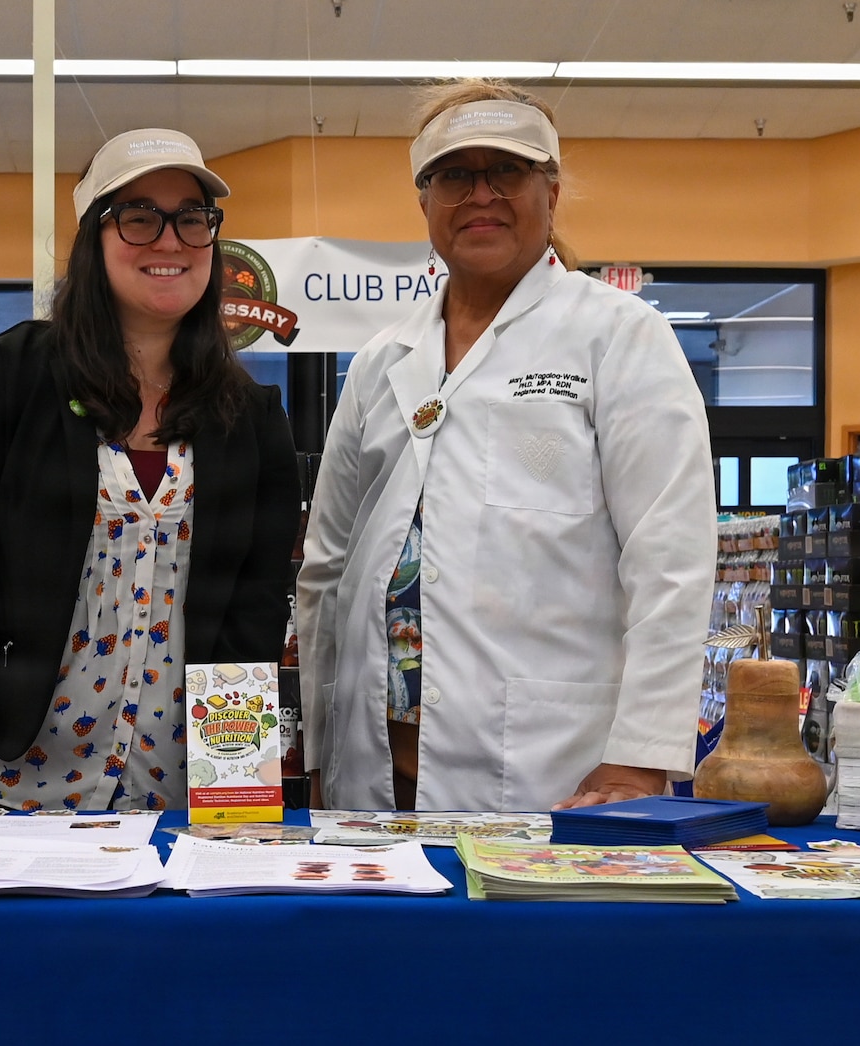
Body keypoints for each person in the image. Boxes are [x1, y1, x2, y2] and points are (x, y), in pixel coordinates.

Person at [297, 80, 716, 814]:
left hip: (551, 768)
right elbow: (328, 567)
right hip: (372, 772)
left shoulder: (618, 335)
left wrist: (639, 761)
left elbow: (670, 558)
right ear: (425, 201)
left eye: (507, 171)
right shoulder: (381, 361)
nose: (481, 194)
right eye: (455, 175)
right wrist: (317, 747)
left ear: (550, 191)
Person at [0, 129, 300, 812]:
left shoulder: (250, 418)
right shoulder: (6, 379)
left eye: (192, 218)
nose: (170, 241)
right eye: (139, 217)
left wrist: (234, 789)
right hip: (16, 783)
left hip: (184, 790)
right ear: (93, 238)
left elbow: (252, 613)